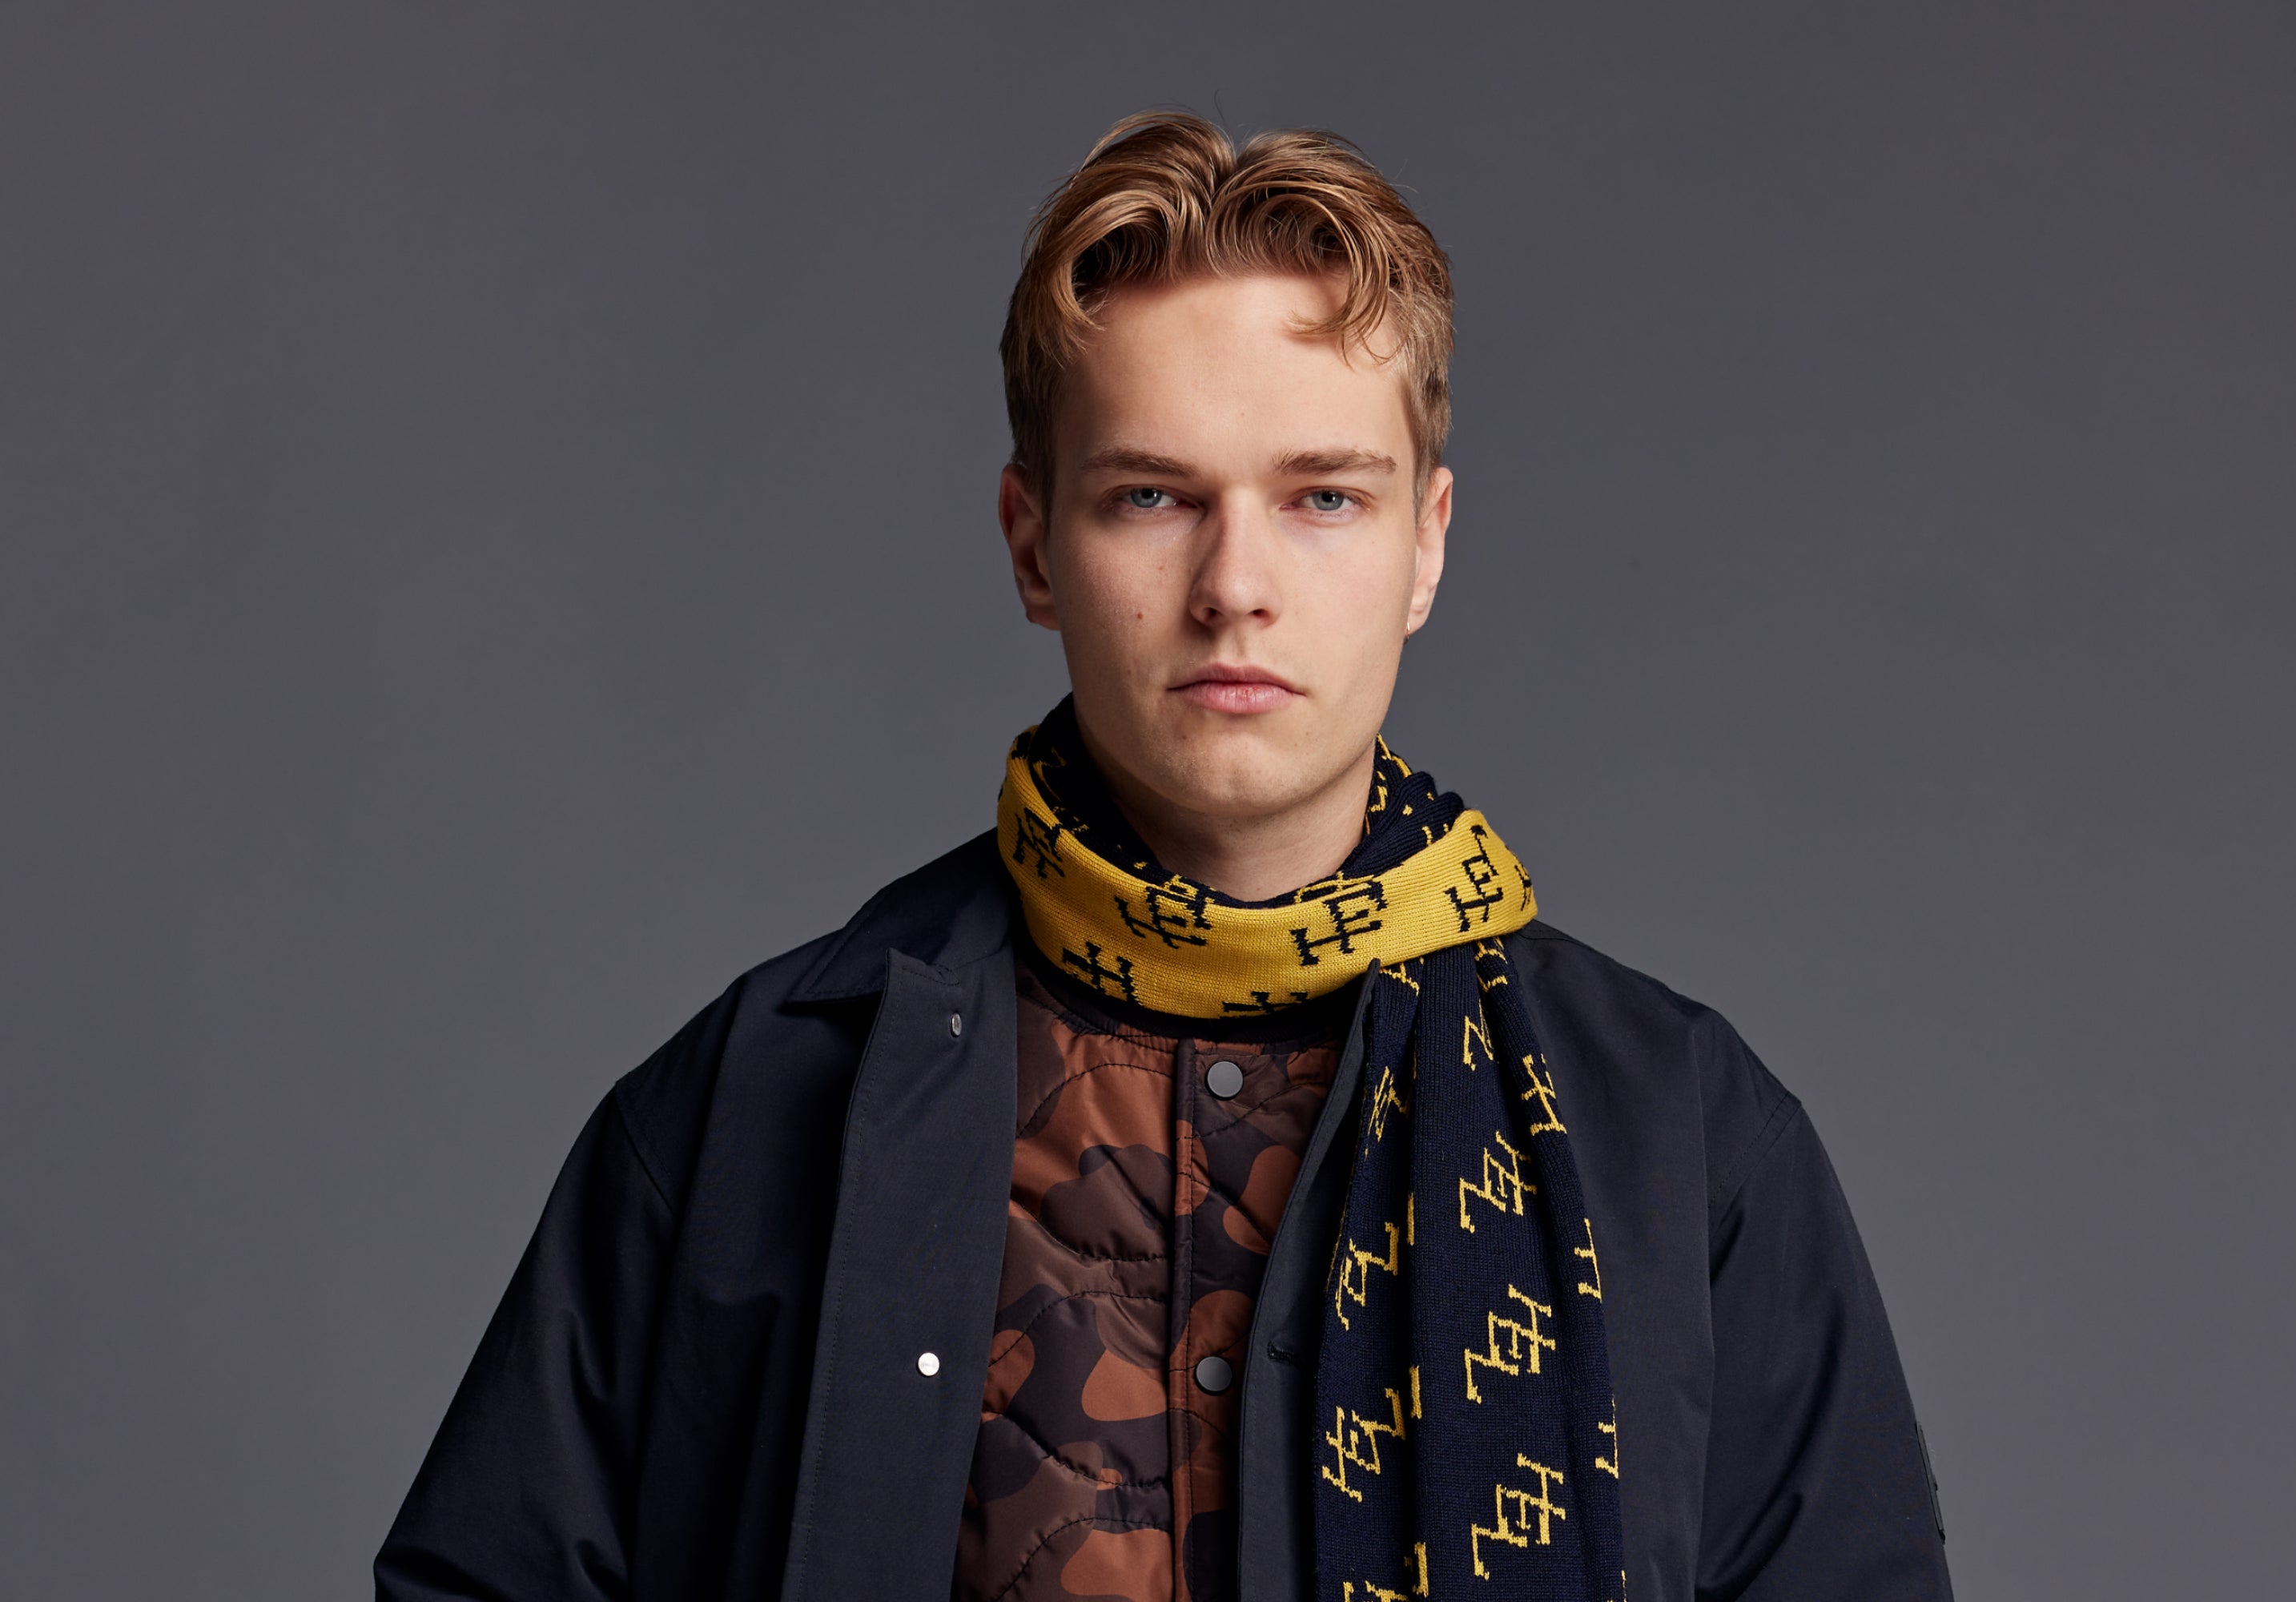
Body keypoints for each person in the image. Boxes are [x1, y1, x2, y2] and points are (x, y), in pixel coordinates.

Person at [376, 112, 1953, 1602]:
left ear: (1426, 545)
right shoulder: (757, 1105)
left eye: (1323, 496)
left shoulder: (1677, 1134)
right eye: (1151, 496)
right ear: (1032, 545)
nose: (1234, 585)